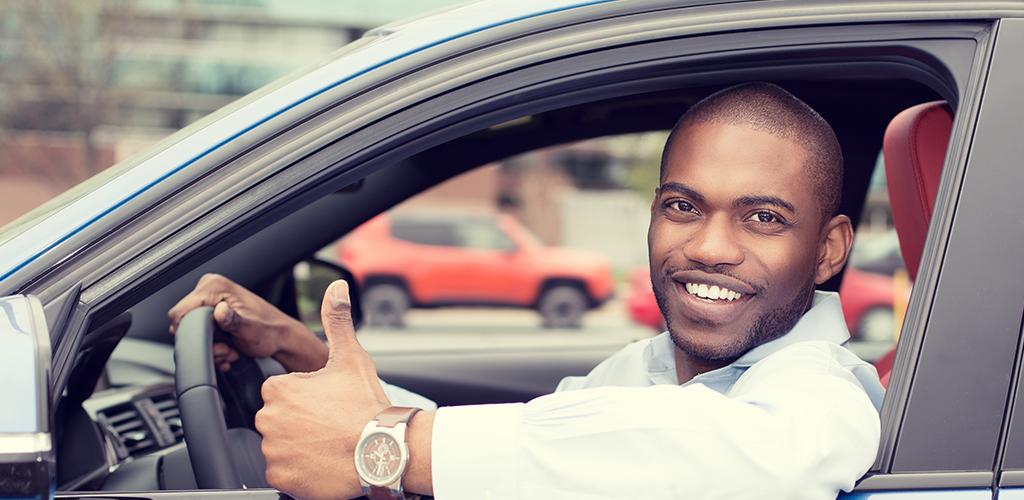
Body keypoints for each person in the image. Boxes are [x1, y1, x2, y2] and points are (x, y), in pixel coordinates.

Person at [169, 82, 884, 500]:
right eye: (682, 206)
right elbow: (530, 445)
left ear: (828, 250)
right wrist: (299, 352)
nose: (709, 247)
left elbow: (734, 456)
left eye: (764, 218)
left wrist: (381, 447)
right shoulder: (646, 367)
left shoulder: (825, 396)